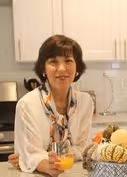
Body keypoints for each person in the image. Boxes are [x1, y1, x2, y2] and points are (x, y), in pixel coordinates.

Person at [8, 35, 94, 177]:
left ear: (77, 67)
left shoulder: (85, 102)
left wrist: (31, 159)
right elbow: (32, 154)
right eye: (53, 62)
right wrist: (40, 163)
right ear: (43, 68)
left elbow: (82, 148)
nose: (61, 68)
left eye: (68, 61)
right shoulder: (27, 105)